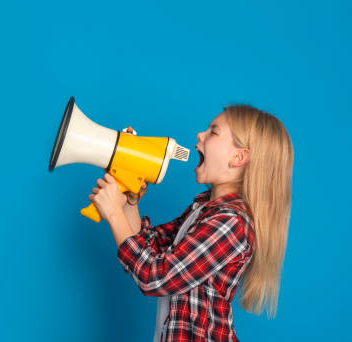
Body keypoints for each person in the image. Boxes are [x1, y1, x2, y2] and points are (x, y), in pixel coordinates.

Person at [88, 105, 293, 342]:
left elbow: (154, 276)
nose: (200, 135)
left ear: (238, 157)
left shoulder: (230, 223)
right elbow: (151, 251)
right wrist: (129, 201)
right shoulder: (204, 208)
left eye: (213, 132)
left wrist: (114, 214)